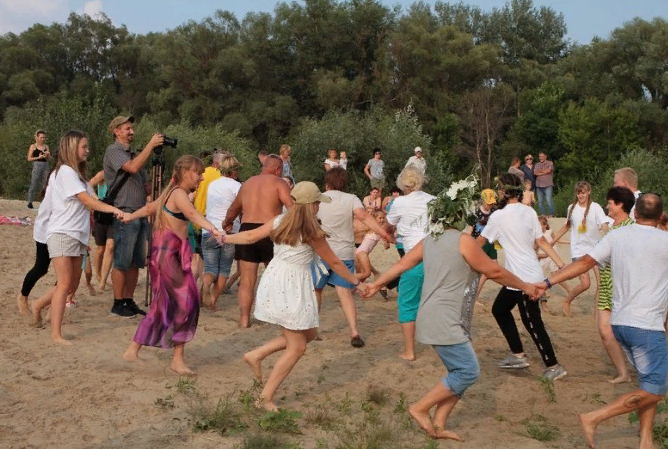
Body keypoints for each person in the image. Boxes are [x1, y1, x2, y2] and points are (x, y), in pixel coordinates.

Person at [359, 180, 543, 441]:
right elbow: (494, 271)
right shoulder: (463, 241)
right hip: (444, 318)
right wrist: (526, 286)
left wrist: (375, 285)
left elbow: (402, 264)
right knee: (469, 371)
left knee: (459, 372)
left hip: (433, 316)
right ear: (460, 215)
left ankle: (439, 424)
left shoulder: (428, 241)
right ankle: (420, 408)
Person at [534, 193, 668, 449]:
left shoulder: (616, 236)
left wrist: (549, 281)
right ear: (661, 217)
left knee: (646, 383)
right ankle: (593, 418)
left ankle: (646, 441)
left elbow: (585, 263)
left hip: (620, 323)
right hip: (647, 327)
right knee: (655, 391)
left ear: (635, 214)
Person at [225, 182, 361, 411]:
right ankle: (265, 397)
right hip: (292, 284)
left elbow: (249, 236)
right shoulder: (311, 232)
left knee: (309, 333)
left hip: (276, 278)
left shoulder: (280, 221)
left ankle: (256, 354)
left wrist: (224, 238)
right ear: (313, 205)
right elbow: (334, 261)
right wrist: (356, 281)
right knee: (297, 347)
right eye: (318, 203)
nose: (319, 206)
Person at [122, 156, 225, 375]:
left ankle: (133, 350)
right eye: (198, 172)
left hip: (167, 255)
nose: (202, 177)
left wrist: (131, 216)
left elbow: (150, 207)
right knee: (186, 302)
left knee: (164, 304)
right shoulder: (178, 193)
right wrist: (213, 229)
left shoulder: (172, 192)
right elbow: (190, 214)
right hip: (169, 256)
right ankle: (177, 359)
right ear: (186, 171)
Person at [32, 130, 125, 345]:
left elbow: (93, 199)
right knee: (65, 285)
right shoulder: (65, 172)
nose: (88, 150)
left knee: (72, 285)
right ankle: (56, 334)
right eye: (84, 146)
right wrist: (113, 211)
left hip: (76, 235)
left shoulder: (79, 176)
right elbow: (87, 201)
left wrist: (114, 207)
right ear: (73, 148)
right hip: (62, 233)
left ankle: (38, 305)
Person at [477, 173, 567, 380]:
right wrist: (560, 263)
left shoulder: (498, 216)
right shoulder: (529, 211)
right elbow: (542, 242)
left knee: (532, 322)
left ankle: (553, 366)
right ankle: (517, 354)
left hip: (525, 279)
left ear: (502, 191)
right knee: (499, 310)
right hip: (516, 278)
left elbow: (480, 242)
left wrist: (461, 251)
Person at [314, 167, 393, 347]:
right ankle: (354, 331)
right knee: (345, 293)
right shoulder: (351, 199)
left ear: (327, 182)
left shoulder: (318, 198)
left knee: (316, 291)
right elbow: (364, 217)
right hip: (344, 253)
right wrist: (384, 234)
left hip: (321, 252)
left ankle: (314, 329)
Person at [223, 154, 294, 328]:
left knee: (247, 281)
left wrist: (227, 222)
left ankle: (244, 319)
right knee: (276, 277)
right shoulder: (279, 183)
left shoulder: (247, 183)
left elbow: (234, 207)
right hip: (270, 231)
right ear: (278, 169)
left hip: (247, 230)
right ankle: (276, 316)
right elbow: (291, 206)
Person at [104, 116, 164, 317]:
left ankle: (128, 300)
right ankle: (117, 301)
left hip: (139, 212)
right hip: (124, 211)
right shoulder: (113, 151)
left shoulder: (135, 154)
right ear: (116, 131)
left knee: (136, 261)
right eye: (127, 128)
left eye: (131, 128)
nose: (131, 132)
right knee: (122, 260)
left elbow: (147, 185)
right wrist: (150, 145)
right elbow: (132, 167)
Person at [385, 167, 435, 361]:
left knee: (407, 303)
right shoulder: (433, 200)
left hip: (414, 258)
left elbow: (389, 225)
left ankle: (409, 350)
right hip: (435, 256)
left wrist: (387, 236)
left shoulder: (399, 203)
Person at [596, 186, 636, 384]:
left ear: (620, 205)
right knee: (605, 331)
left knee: (625, 332)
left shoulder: (629, 228)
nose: (607, 206)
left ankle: (631, 372)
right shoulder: (615, 227)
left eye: (610, 203)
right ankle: (623, 373)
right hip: (607, 285)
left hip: (621, 287)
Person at [551, 181, 609, 316]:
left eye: (583, 192)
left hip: (596, 250)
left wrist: (611, 235)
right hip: (578, 251)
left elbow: (604, 225)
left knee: (601, 285)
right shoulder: (572, 208)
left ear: (589, 192)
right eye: (578, 193)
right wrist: (553, 241)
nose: (581, 195)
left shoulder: (596, 208)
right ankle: (567, 300)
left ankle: (597, 314)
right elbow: (566, 226)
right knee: (585, 284)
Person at [201, 155, 241, 310]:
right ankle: (212, 301)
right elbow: (240, 208)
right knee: (224, 269)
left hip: (210, 229)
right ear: (234, 170)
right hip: (228, 233)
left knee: (210, 268)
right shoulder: (237, 187)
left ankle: (205, 285)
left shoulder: (212, 185)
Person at [17, 175, 54, 315]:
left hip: (63, 231)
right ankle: (23, 297)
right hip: (46, 230)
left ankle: (52, 303)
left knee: (66, 273)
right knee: (41, 268)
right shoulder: (58, 178)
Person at [471, 189, 498, 308]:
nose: (490, 205)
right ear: (483, 201)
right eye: (488, 203)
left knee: (493, 269)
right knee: (479, 272)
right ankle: (474, 298)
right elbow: (470, 229)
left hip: (491, 244)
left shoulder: (495, 212)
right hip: (478, 244)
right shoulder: (475, 213)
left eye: (492, 203)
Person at [535, 216, 571, 305]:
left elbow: (558, 240)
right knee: (538, 274)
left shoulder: (549, 232)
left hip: (553, 257)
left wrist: (569, 242)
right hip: (543, 257)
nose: (538, 227)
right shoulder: (536, 235)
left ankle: (569, 290)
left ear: (545, 225)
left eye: (540, 225)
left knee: (555, 275)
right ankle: (544, 291)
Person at [89, 170, 114, 291]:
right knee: (100, 249)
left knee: (110, 246)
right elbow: (89, 184)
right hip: (101, 213)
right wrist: (96, 198)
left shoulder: (120, 173)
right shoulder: (103, 173)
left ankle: (104, 277)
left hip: (113, 213)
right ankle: (98, 275)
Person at [354, 210, 390, 286]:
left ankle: (353, 288)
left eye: (383, 218)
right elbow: (357, 230)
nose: (382, 220)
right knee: (367, 273)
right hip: (361, 253)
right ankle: (344, 279)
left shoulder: (381, 230)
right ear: (374, 219)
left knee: (362, 274)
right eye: (380, 218)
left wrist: (386, 243)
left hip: (362, 253)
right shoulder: (371, 228)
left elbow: (386, 243)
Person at [26, 130, 51, 209]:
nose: (42, 139)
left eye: (44, 137)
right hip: (36, 165)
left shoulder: (46, 146)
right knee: (34, 183)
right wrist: (38, 157)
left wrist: (48, 155)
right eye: (41, 137)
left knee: (45, 184)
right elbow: (29, 158)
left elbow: (48, 159)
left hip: (45, 165)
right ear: (37, 138)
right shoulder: (33, 146)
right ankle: (30, 201)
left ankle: (44, 202)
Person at [534, 152, 555, 217]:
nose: (541, 158)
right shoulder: (537, 164)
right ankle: (543, 215)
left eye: (542, 156)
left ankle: (552, 214)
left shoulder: (550, 163)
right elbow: (535, 173)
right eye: (540, 156)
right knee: (540, 201)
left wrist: (540, 171)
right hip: (539, 185)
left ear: (545, 156)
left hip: (547, 185)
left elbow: (549, 170)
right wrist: (544, 172)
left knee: (549, 200)